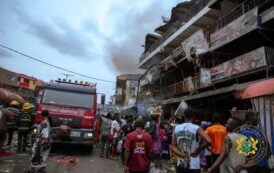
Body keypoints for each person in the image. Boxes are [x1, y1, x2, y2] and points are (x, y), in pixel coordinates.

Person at [171, 109, 211, 173]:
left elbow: (173, 146)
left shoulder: (177, 128)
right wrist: (198, 149)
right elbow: (209, 141)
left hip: (180, 164)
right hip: (194, 165)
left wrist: (182, 155)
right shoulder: (197, 128)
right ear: (193, 117)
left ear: (184, 116)